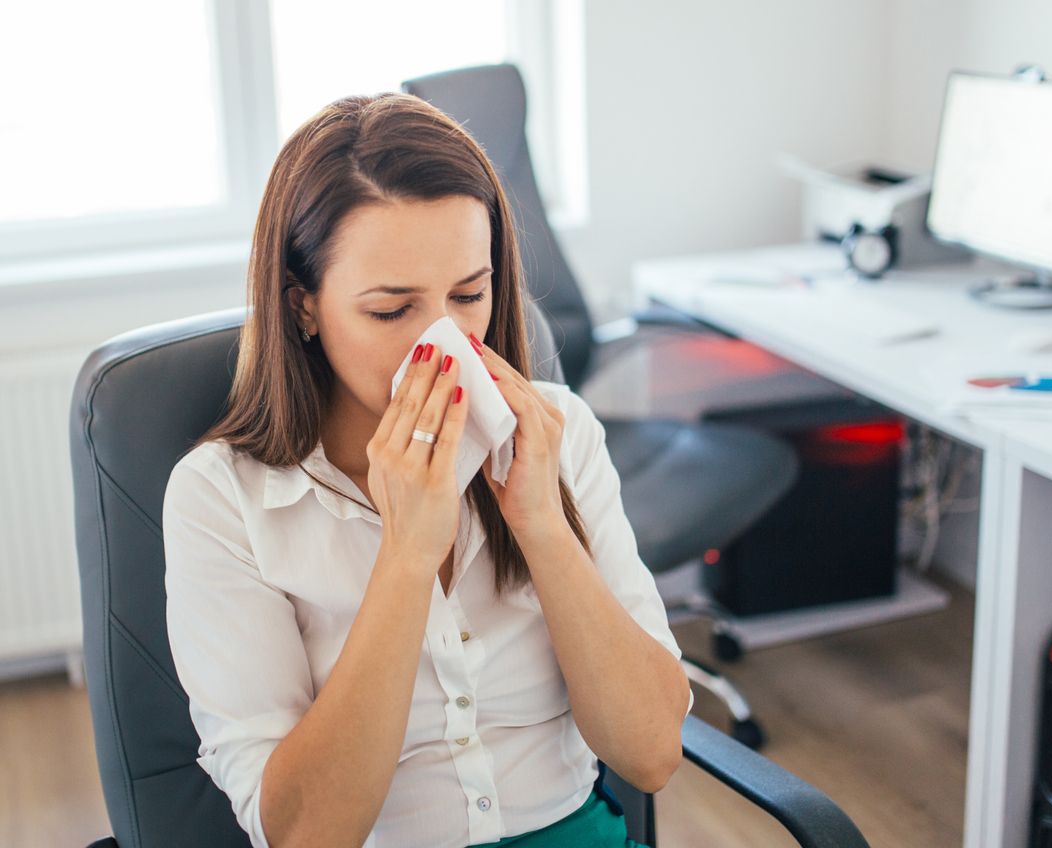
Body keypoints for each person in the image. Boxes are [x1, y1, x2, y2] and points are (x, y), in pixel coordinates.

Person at [161, 91, 693, 848]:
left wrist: (542, 524)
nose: (444, 343)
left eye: (469, 295)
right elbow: (306, 834)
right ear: (303, 306)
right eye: (390, 311)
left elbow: (650, 754)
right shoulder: (222, 496)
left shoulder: (559, 433)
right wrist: (407, 556)